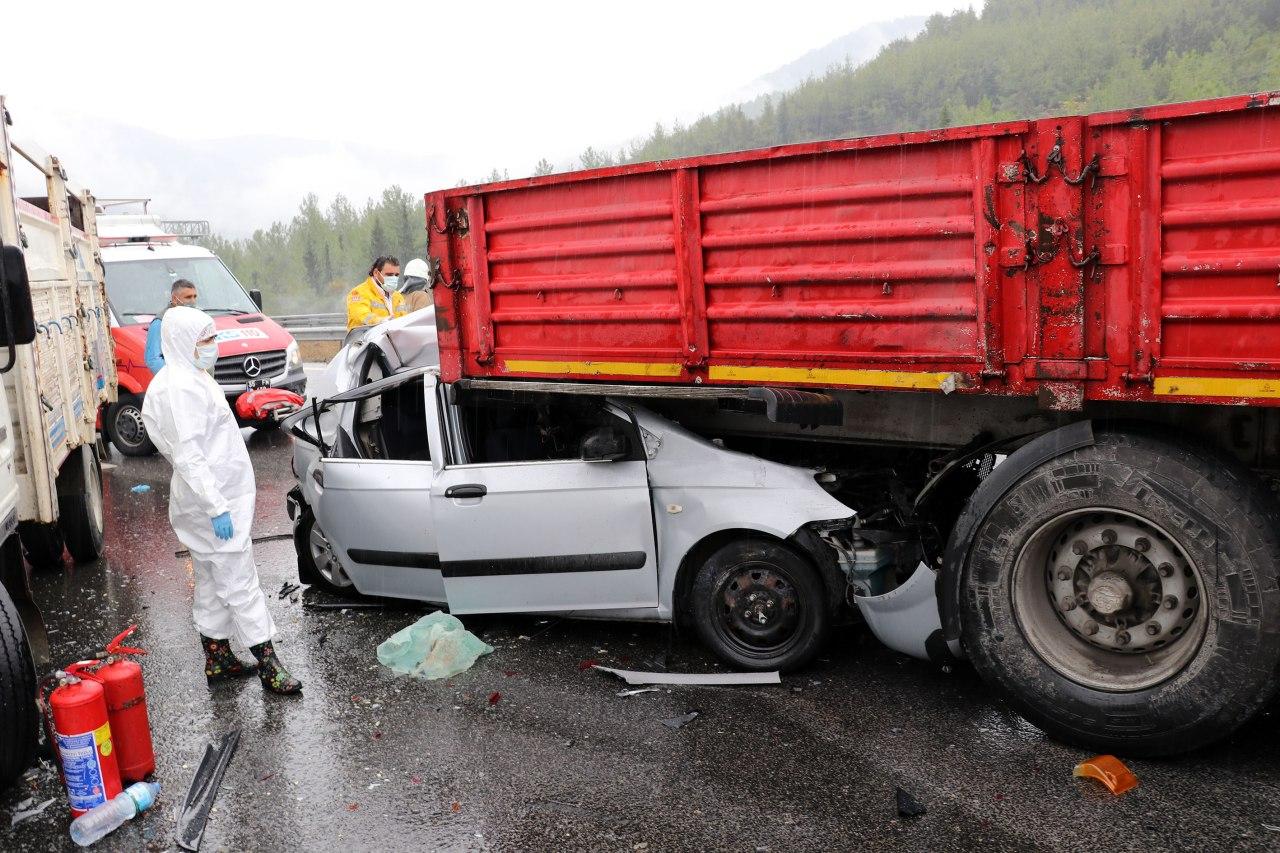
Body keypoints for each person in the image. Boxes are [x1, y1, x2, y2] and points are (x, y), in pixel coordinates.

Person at [140, 306, 302, 695]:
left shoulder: (184, 378)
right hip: (214, 504)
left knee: (212, 581)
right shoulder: (180, 389)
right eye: (206, 339)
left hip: (209, 501)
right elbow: (189, 455)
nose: (213, 345)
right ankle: (269, 665)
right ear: (183, 341)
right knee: (240, 582)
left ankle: (217, 658)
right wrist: (216, 508)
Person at [143, 279, 199, 374]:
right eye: (188, 297)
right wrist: (174, 377)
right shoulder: (160, 322)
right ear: (174, 299)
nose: (193, 301)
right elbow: (153, 359)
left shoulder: (196, 317)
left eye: (195, 296)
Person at [345, 256, 406, 331]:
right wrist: (381, 321)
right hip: (365, 337)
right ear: (376, 273)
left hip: (391, 337)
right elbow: (361, 316)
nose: (393, 278)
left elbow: (404, 320)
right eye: (389, 275)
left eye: (396, 275)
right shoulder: (358, 293)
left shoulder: (398, 296)